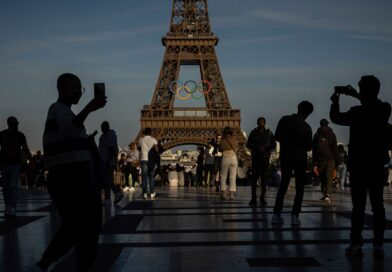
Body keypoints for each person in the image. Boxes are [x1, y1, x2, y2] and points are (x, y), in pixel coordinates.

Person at [31, 73, 106, 272]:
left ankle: (49, 262)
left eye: (80, 89)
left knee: (80, 226)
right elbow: (70, 128)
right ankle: (47, 262)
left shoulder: (64, 112)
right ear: (61, 89)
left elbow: (69, 134)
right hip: (70, 178)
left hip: (72, 178)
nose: (78, 92)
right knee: (83, 225)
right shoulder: (58, 109)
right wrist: (90, 108)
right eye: (74, 88)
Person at [330, 75, 391, 258]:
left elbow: (336, 118)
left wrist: (336, 101)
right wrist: (358, 95)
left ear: (363, 90)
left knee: (358, 206)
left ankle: (356, 244)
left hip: (358, 164)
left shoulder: (357, 112)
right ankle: (378, 244)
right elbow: (374, 106)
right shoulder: (385, 108)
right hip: (378, 163)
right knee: (378, 205)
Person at [272, 101, 313, 226]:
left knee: (283, 185)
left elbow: (277, 137)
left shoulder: (284, 119)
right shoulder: (307, 127)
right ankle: (295, 216)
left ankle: (276, 214)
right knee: (299, 188)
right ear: (308, 113)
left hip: (286, 157)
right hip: (300, 158)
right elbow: (308, 147)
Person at [0, 116, 32, 218]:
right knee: (8, 187)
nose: (16, 125)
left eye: (16, 123)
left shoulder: (4, 134)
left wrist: (31, 160)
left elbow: (26, 149)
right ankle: (10, 208)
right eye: (15, 123)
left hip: (11, 164)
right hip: (9, 164)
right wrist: (31, 161)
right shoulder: (19, 135)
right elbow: (26, 149)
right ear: (9, 124)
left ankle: (10, 208)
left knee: (10, 187)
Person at [247, 117, 276, 207]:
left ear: (265, 123)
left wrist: (266, 149)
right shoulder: (253, 132)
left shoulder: (269, 133)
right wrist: (256, 148)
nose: (260, 123)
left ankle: (262, 198)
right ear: (257, 123)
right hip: (256, 157)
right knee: (254, 179)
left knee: (264, 179)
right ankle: (253, 198)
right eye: (259, 122)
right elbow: (248, 144)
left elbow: (273, 144)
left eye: (262, 122)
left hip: (265, 157)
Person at [312, 119, 338, 203]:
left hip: (319, 159)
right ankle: (327, 194)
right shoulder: (332, 134)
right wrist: (337, 162)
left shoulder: (316, 134)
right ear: (327, 125)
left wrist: (314, 162)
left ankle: (324, 193)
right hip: (331, 159)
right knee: (328, 176)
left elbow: (314, 149)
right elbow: (335, 148)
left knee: (322, 176)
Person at [99, 121, 123, 205]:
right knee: (108, 180)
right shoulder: (104, 136)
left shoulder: (109, 136)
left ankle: (110, 197)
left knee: (108, 179)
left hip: (109, 162)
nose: (102, 129)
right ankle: (114, 195)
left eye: (103, 127)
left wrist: (107, 161)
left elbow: (111, 150)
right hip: (106, 161)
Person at [138, 127, 158, 199]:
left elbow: (139, 148)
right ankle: (152, 193)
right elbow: (156, 150)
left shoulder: (141, 140)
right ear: (151, 133)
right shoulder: (153, 140)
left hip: (144, 159)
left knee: (144, 177)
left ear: (144, 132)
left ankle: (145, 194)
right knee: (151, 177)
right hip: (151, 160)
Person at [219, 127, 238, 200]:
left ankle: (223, 193)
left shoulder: (223, 141)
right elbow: (236, 147)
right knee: (232, 177)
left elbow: (220, 149)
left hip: (225, 158)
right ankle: (232, 194)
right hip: (233, 158)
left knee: (223, 176)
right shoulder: (235, 139)